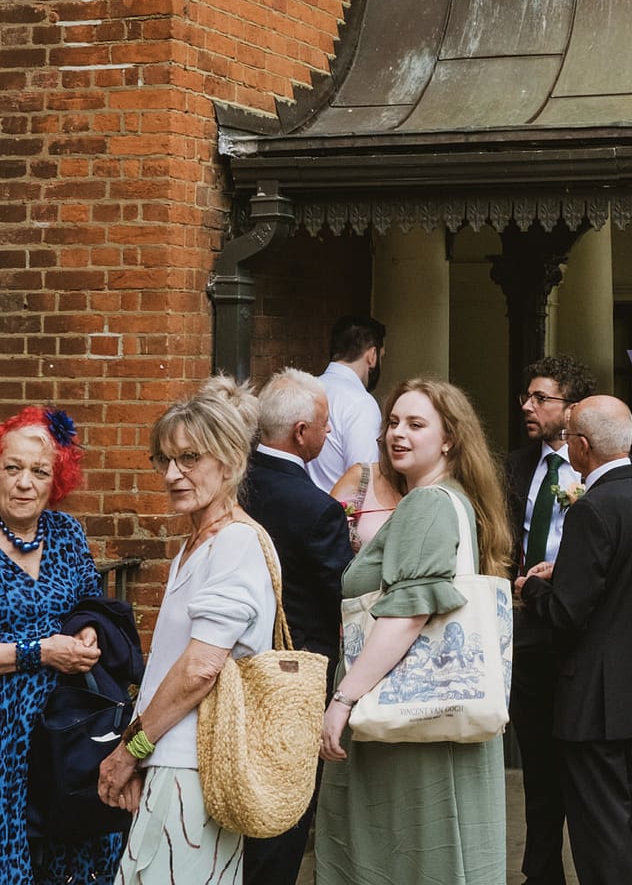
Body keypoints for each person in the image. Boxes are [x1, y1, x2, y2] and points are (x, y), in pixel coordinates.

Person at [315, 378, 514, 885]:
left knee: (404, 854)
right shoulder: (453, 500)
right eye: (394, 422)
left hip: (408, 724)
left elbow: (408, 614)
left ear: (449, 438)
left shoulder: (426, 505)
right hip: (433, 716)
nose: (397, 434)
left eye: (416, 424)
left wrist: (342, 700)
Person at [96, 376, 278, 883]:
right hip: (175, 762)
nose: (174, 474)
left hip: (195, 767)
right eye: (165, 460)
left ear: (230, 461)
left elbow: (200, 669)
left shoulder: (235, 544)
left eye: (190, 458)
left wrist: (128, 751)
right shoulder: (197, 544)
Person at [0, 406, 120, 885]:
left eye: (39, 472)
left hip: (65, 732)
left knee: (73, 855)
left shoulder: (67, 534)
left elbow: (89, 606)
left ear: (55, 479)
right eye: (13, 468)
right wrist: (40, 652)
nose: (24, 483)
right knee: (4, 863)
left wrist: (87, 633)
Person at [518, 396, 632, 885]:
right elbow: (625, 582)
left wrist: (536, 586)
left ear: (583, 446)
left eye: (569, 438)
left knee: (599, 823)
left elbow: (569, 614)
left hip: (592, 690)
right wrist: (564, 573)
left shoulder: (594, 508)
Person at [238, 370, 354, 885]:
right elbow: (339, 598)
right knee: (284, 811)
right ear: (301, 432)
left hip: (234, 665)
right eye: (325, 427)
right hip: (297, 675)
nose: (329, 437)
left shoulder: (231, 483)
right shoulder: (318, 509)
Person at [505, 354, 599, 885]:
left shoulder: (595, 470)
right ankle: (541, 874)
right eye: (528, 395)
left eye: (541, 398)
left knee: (578, 766)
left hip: (576, 631)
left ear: (572, 409)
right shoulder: (515, 466)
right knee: (537, 767)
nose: (528, 405)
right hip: (525, 628)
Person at [313, 314, 386, 492]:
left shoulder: (305, 390)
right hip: (341, 514)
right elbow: (365, 481)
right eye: (383, 356)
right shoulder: (361, 404)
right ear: (372, 355)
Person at [329, 445, 404, 552]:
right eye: (393, 426)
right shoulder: (362, 476)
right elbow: (326, 541)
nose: (398, 433)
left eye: (416, 427)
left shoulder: (433, 492)